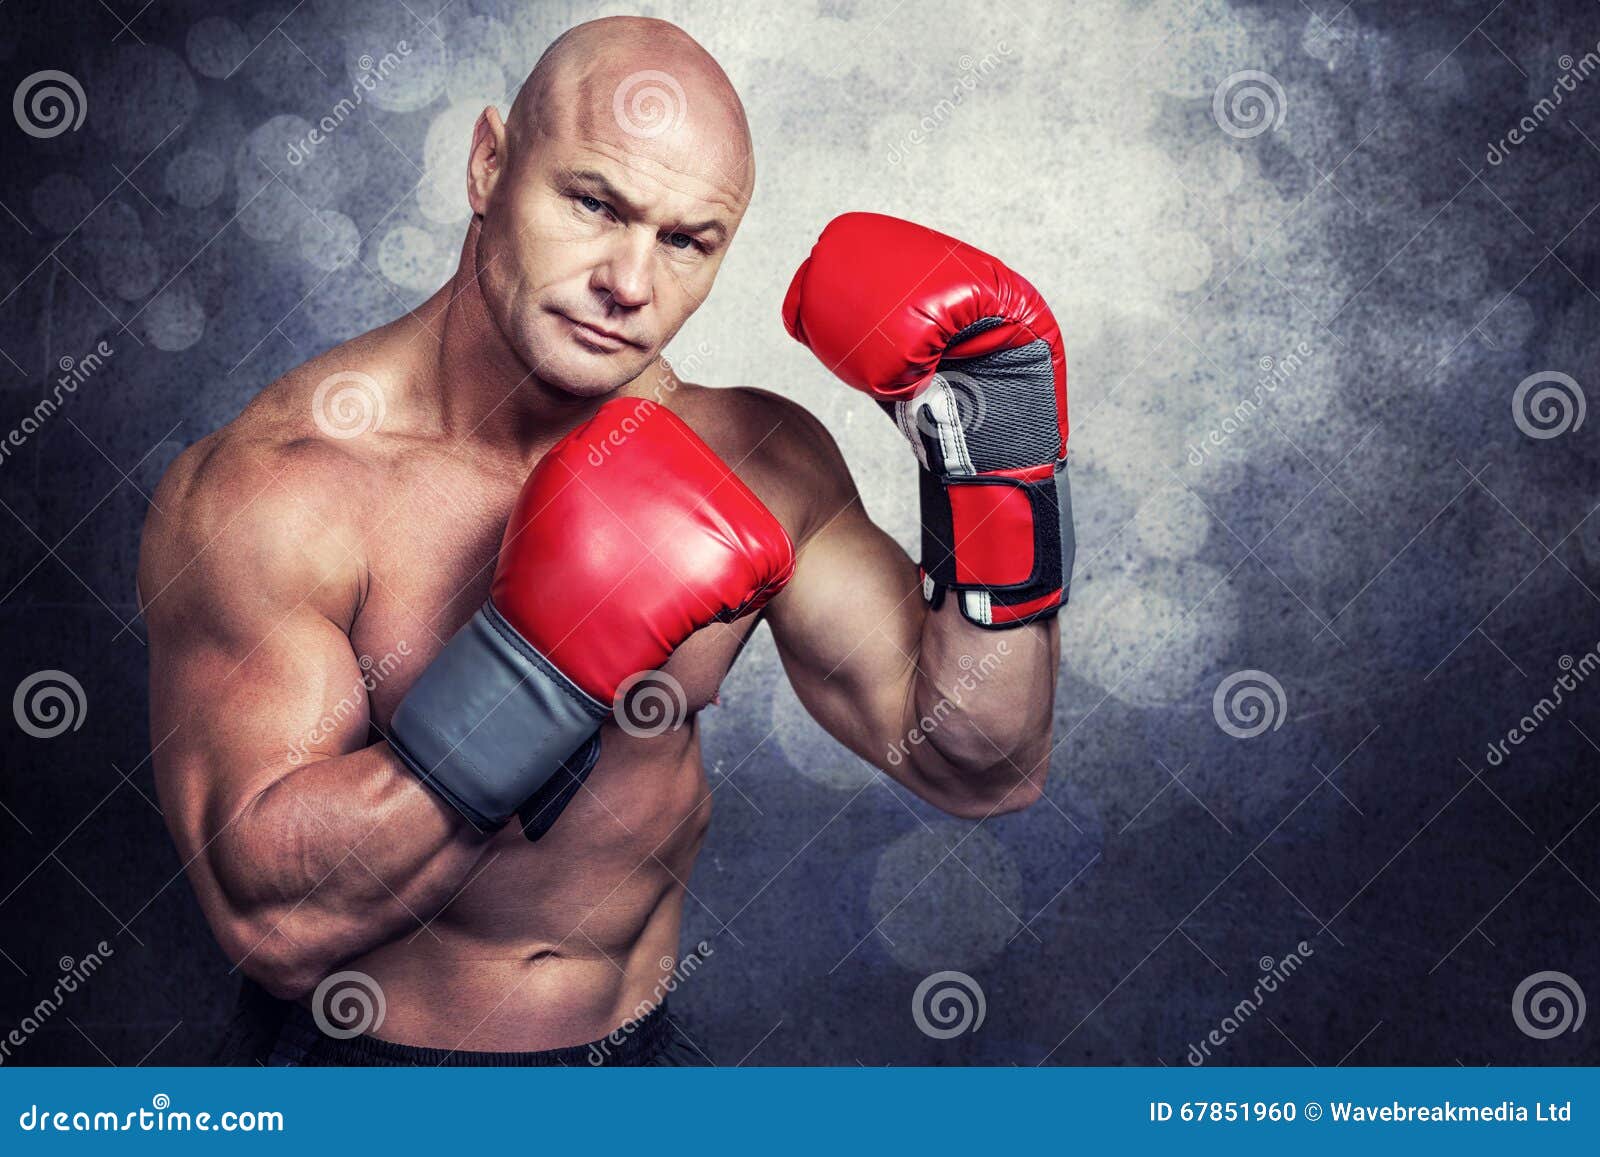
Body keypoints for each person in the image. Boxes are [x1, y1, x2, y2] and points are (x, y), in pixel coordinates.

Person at [138, 15, 1071, 1066]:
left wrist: (994, 460)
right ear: (489, 164)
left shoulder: (756, 456)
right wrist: (535, 671)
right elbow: (274, 923)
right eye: (592, 203)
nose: (630, 282)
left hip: (636, 1062)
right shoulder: (283, 489)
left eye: (686, 240)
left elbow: (980, 761)